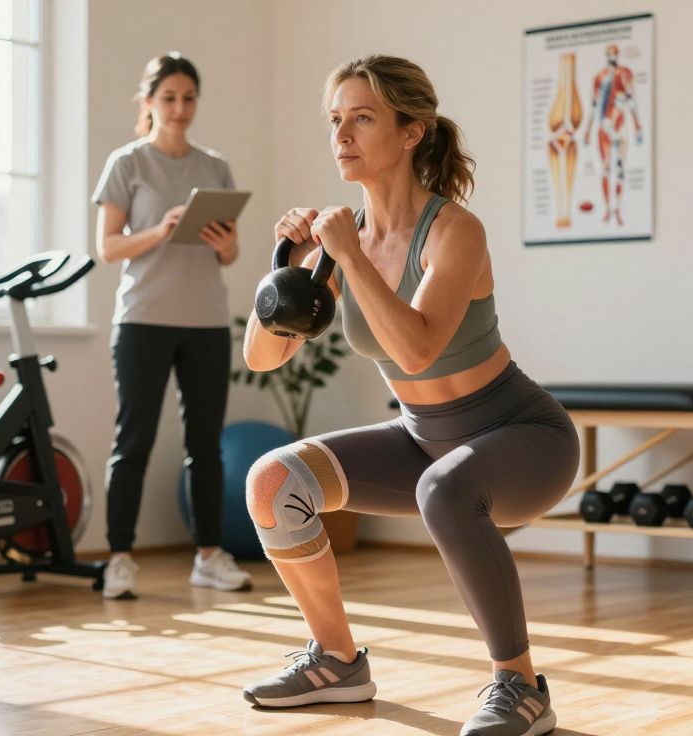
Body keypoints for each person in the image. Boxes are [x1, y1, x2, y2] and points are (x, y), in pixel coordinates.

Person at [239, 55, 580, 736]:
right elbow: (262, 356)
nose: (341, 134)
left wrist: (348, 255)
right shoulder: (341, 244)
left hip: (524, 438)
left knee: (443, 491)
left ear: (411, 132)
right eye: (335, 119)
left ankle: (520, 686)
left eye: (362, 118)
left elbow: (417, 347)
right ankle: (336, 660)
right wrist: (286, 270)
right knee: (273, 482)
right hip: (423, 439)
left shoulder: (454, 230)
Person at [92, 52, 251, 599]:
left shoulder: (215, 166)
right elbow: (107, 247)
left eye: (188, 98)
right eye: (169, 98)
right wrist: (160, 230)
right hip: (143, 321)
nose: (180, 108)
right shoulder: (127, 163)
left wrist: (226, 245)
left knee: (206, 446)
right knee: (133, 441)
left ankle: (209, 556)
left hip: (206, 321)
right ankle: (119, 559)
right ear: (148, 102)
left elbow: (229, 255)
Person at [582, 43, 643, 227]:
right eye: (609, 54)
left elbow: (632, 100)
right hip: (604, 126)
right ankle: (608, 209)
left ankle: (618, 210)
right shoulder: (599, 77)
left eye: (615, 54)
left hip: (620, 125)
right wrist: (587, 129)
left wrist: (637, 124)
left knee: (620, 167)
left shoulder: (625, 73)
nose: (612, 57)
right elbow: (594, 105)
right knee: (607, 168)